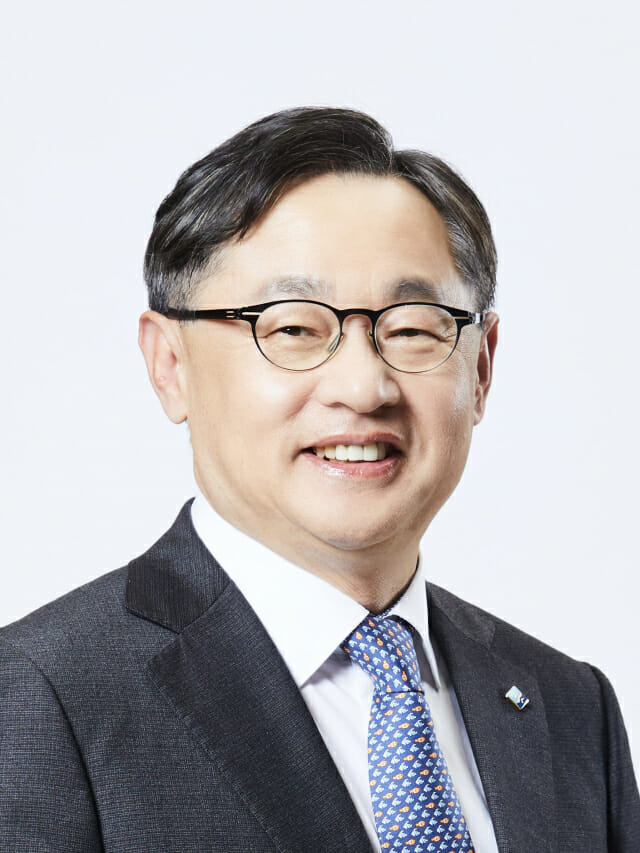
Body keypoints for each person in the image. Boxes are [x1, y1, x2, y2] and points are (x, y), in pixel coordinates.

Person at [1, 107, 637, 853]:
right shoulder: (38, 699)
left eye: (412, 327)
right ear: (170, 364)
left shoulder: (571, 707)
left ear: (483, 366)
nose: (364, 387)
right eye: (294, 328)